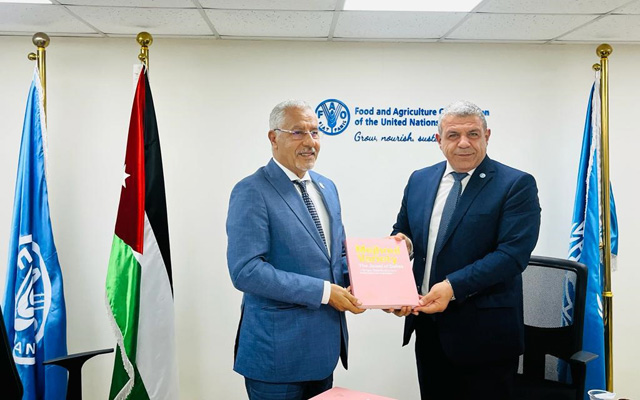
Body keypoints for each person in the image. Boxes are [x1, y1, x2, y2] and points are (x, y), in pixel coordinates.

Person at [389, 100, 541, 399]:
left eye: (473, 134)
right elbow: (403, 231)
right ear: (439, 140)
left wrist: (452, 287)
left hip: (486, 337)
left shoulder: (516, 184)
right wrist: (401, 248)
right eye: (453, 135)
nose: (463, 143)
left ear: (487, 135)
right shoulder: (420, 179)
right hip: (429, 327)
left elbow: (511, 256)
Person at [226, 100, 364, 400]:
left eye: (315, 132)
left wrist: (373, 285)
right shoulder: (252, 190)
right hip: (276, 356)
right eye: (298, 132)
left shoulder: (327, 187)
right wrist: (324, 292)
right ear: (273, 138)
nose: (310, 142)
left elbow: (336, 259)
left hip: (323, 351)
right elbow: (246, 271)